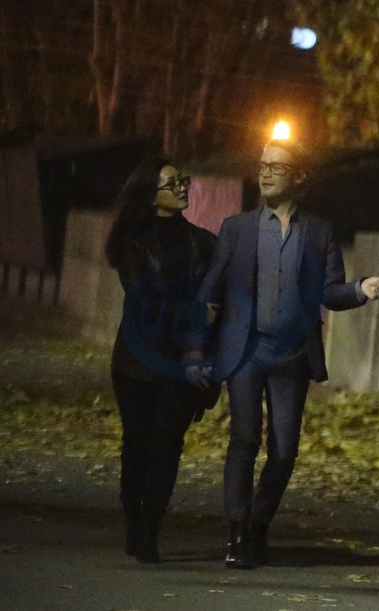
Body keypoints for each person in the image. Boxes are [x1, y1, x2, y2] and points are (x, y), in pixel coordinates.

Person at [192, 139, 379, 569]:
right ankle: (237, 532)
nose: (264, 173)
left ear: (298, 176)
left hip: (293, 355)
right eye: (262, 165)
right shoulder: (237, 228)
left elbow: (329, 292)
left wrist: (361, 288)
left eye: (276, 168)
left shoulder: (318, 231)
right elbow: (209, 291)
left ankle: (259, 522)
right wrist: (198, 351)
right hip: (245, 352)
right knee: (244, 439)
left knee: (284, 450)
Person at [105, 156, 218, 564]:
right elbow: (142, 302)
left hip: (181, 366)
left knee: (168, 447)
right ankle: (133, 519)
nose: (183, 187)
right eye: (173, 183)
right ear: (151, 196)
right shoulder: (132, 243)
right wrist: (193, 314)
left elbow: (218, 308)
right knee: (137, 444)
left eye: (184, 180)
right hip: (136, 363)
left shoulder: (204, 243)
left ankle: (150, 527)